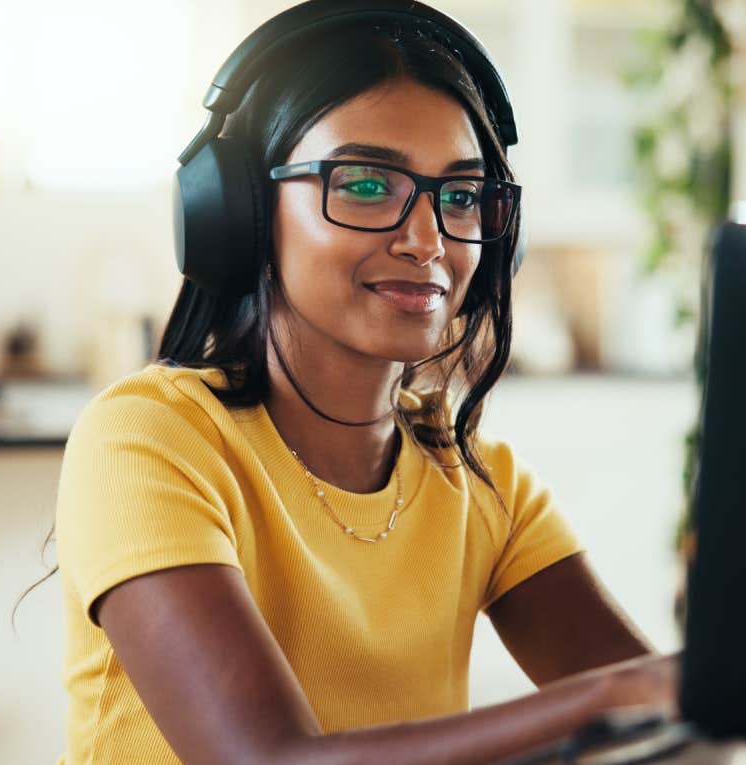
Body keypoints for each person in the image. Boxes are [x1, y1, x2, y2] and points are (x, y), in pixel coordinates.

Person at [52, 3, 676, 763]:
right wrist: (606, 700)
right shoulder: (149, 437)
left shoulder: (478, 478)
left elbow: (666, 708)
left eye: (460, 196)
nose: (428, 241)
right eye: (367, 185)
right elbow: (265, 759)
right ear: (241, 212)